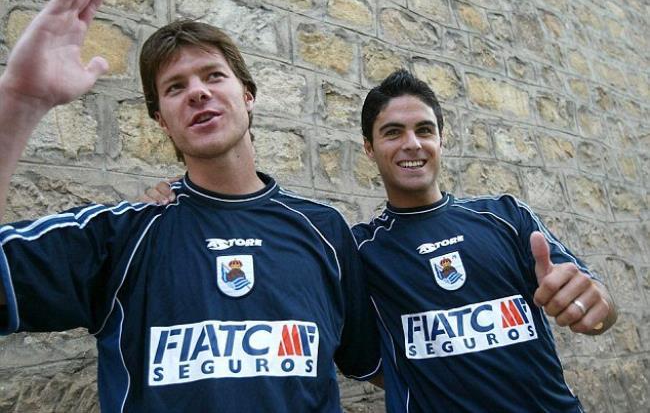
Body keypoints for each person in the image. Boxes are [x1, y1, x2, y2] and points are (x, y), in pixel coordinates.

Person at [0, 0, 380, 412]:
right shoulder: (120, 237)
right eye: (175, 87)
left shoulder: (325, 229)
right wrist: (19, 101)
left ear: (247, 95)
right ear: (161, 120)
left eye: (213, 75)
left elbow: (376, 363)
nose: (198, 92)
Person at [143, 69, 618, 412]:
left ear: (441, 140)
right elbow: (357, 355)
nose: (411, 143)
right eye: (393, 133)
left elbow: (599, 315)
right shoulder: (358, 250)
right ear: (369, 149)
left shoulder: (506, 217)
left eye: (424, 130)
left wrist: (595, 305)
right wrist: (180, 203)